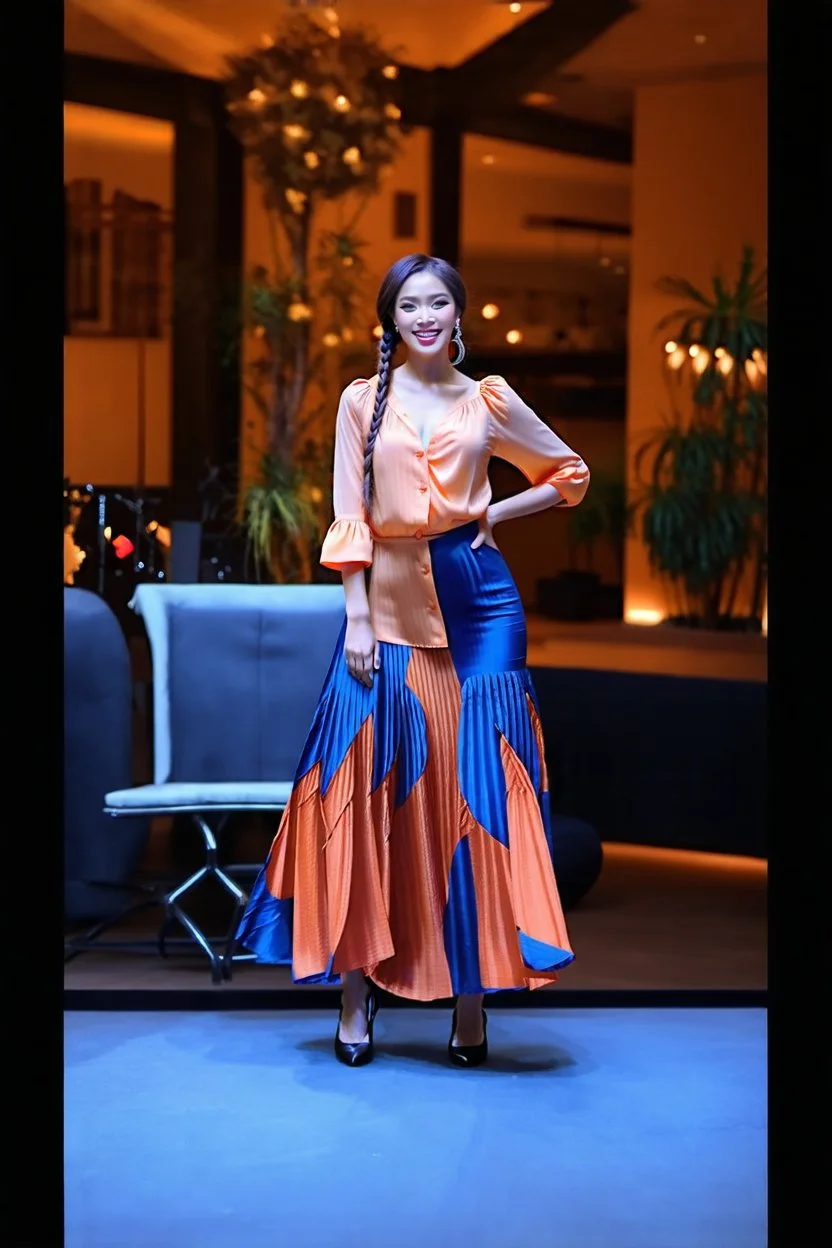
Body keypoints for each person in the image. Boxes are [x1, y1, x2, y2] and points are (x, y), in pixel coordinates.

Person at [236, 253, 590, 1068]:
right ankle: (356, 999)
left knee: (475, 799)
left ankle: (471, 1004)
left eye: (438, 303)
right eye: (408, 306)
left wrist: (496, 508)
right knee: (368, 791)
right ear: (390, 321)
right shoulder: (364, 401)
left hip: (482, 610)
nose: (424, 316)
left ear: (460, 315)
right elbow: (350, 515)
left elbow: (568, 474)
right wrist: (355, 615)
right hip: (386, 611)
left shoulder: (488, 399)